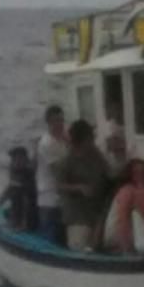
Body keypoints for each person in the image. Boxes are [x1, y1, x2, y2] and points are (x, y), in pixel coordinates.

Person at [57, 120, 110, 250]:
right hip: (77, 217)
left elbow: (110, 172)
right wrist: (79, 187)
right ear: (84, 139)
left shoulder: (96, 155)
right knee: (80, 248)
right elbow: (59, 186)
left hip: (98, 214)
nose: (93, 139)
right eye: (91, 137)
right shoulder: (66, 161)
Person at [34, 105, 68, 244]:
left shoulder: (62, 140)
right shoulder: (46, 143)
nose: (59, 124)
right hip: (49, 199)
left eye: (61, 120)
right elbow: (58, 171)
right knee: (50, 242)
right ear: (48, 123)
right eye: (55, 121)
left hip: (61, 198)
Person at [0, 146, 37, 231]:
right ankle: (14, 220)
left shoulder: (29, 172)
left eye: (17, 158)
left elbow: (27, 200)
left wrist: (24, 224)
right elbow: (9, 189)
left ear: (24, 159)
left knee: (22, 196)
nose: (14, 162)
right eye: (13, 159)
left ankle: (20, 223)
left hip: (29, 212)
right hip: (17, 208)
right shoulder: (14, 170)